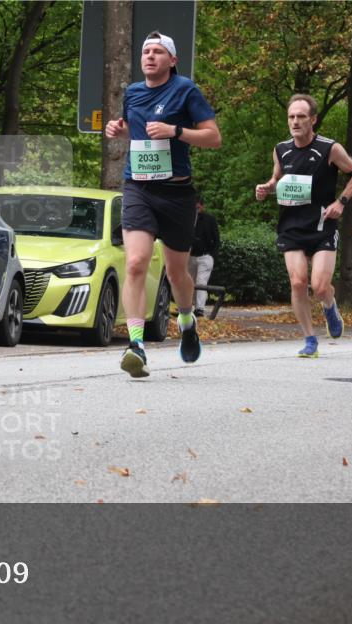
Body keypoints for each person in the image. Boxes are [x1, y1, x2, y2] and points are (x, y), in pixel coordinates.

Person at [104, 31, 221, 378]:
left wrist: (176, 131)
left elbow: (214, 137)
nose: (150, 56)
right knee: (136, 261)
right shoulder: (133, 92)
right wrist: (118, 128)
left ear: (172, 60)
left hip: (176, 194)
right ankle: (136, 344)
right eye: (146, 51)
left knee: (176, 273)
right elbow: (135, 128)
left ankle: (186, 321)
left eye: (158, 52)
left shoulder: (186, 90)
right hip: (138, 188)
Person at [255, 93, 352, 358]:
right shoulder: (281, 149)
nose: (295, 122)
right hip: (291, 225)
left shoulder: (330, 148)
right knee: (297, 282)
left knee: (318, 286)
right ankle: (309, 339)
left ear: (313, 119)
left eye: (301, 116)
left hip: (322, 224)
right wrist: (267, 187)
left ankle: (329, 305)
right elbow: (277, 177)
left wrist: (341, 202)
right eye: (291, 117)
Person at [188, 194, 220, 317]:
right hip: (190, 256)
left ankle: (200, 308)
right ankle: (188, 306)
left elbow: (216, 239)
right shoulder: (189, 219)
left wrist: (212, 255)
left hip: (205, 256)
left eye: (198, 207)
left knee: (201, 282)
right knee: (190, 282)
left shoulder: (210, 219)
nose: (197, 210)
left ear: (202, 206)